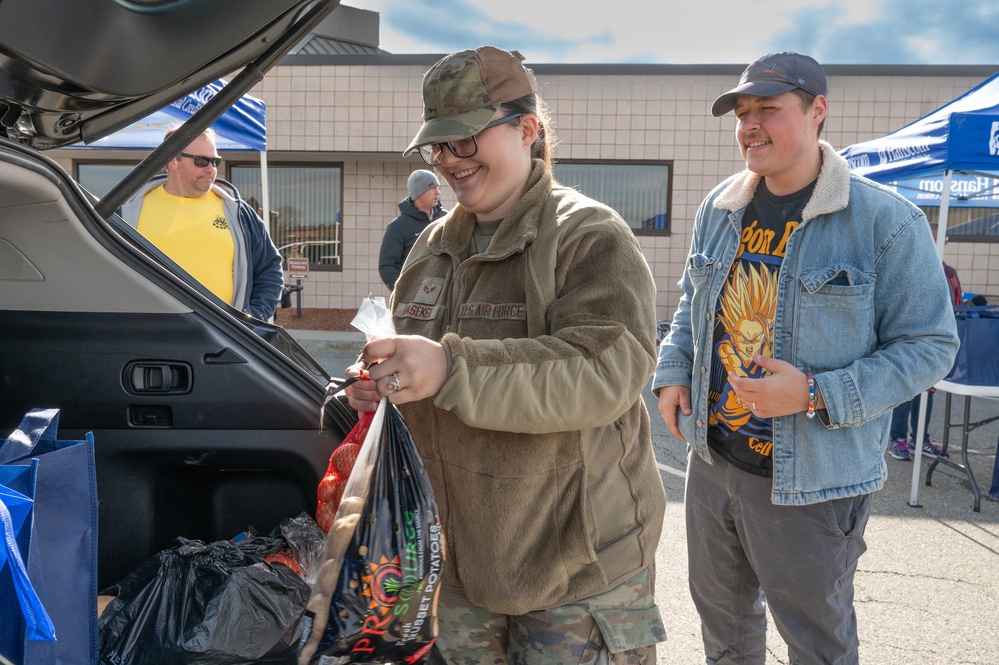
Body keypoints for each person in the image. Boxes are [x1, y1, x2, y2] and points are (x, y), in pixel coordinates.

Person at [343, 45, 667, 663]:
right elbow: (411, 361)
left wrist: (449, 368)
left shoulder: (588, 235)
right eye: (438, 147)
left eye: (465, 141)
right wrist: (371, 385)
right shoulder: (433, 246)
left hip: (574, 572)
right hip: (460, 567)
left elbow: (608, 371)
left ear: (527, 129)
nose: (448, 162)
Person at [654, 52, 959, 664]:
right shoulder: (721, 207)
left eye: (768, 109)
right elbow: (693, 299)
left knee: (816, 644)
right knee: (726, 636)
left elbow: (931, 347)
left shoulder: (886, 222)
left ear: (818, 111)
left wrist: (817, 393)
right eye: (742, 113)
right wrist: (672, 370)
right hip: (713, 466)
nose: (750, 125)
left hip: (813, 483)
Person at [119, 128, 283, 320]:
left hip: (220, 342)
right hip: (147, 337)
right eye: (201, 161)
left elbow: (270, 268)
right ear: (172, 160)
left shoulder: (238, 212)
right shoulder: (128, 210)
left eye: (215, 161)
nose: (211, 169)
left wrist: (254, 318)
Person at [889, 226, 962, 460]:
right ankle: (897, 438)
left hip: (933, 347)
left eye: (942, 239)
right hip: (906, 345)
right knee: (906, 392)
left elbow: (956, 306)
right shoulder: (908, 269)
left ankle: (920, 438)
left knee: (927, 392)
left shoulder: (947, 272)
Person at [378, 169, 446, 290]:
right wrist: (404, 292)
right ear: (419, 192)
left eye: (438, 187)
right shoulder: (398, 227)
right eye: (433, 188)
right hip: (412, 298)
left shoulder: (447, 219)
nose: (438, 192)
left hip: (445, 295)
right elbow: (387, 266)